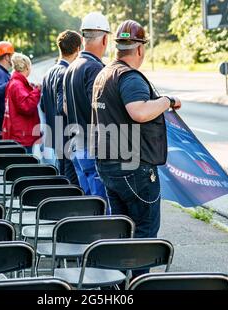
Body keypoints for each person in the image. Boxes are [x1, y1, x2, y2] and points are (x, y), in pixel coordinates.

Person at [93, 20, 182, 242]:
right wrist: (167, 101)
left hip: (108, 163)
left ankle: (121, 276)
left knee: (121, 230)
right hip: (133, 167)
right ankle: (139, 278)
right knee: (145, 231)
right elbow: (139, 112)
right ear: (140, 49)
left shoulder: (104, 74)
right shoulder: (130, 77)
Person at [63, 12, 110, 200]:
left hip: (76, 144)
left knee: (90, 204)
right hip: (92, 148)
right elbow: (101, 110)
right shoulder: (95, 69)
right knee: (102, 205)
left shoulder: (72, 67)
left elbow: (65, 107)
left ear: (82, 38)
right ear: (105, 39)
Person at [40, 30, 82, 186]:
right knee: (71, 185)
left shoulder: (48, 72)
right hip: (67, 137)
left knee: (62, 181)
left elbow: (44, 105)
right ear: (78, 49)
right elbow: (61, 107)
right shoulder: (65, 73)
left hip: (55, 134)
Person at [2, 53, 41, 153]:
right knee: (26, 165)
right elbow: (26, 106)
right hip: (22, 135)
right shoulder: (17, 85)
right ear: (27, 68)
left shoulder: (14, 82)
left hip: (17, 133)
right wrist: (37, 91)